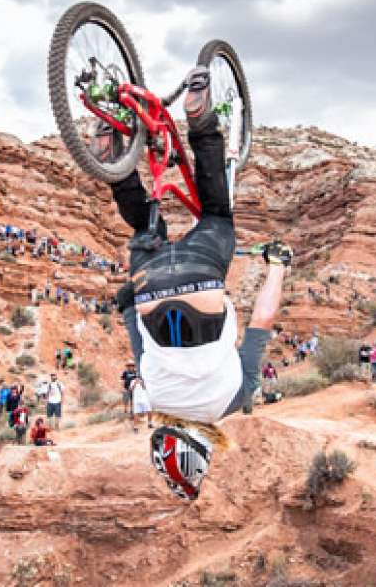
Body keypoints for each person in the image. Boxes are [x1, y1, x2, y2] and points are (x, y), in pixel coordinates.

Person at [105, 67, 288, 500]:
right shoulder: (153, 393)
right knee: (141, 222)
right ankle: (112, 156)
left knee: (217, 215)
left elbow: (262, 320)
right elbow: (135, 328)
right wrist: (129, 298)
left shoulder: (234, 401)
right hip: (149, 281)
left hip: (203, 276)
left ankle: (201, 119)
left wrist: (277, 266)